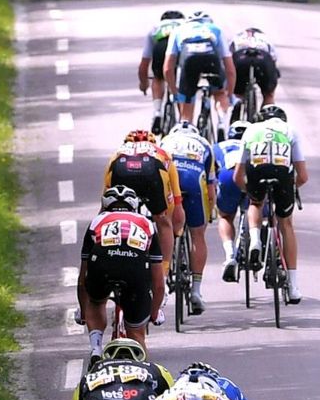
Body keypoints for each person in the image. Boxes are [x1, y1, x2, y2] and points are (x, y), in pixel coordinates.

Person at [98, 130, 180, 337]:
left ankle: (102, 263)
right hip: (152, 170)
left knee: (106, 217)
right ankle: (163, 275)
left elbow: (104, 201)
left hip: (120, 169)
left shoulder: (117, 152)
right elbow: (177, 201)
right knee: (163, 221)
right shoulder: (162, 153)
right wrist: (174, 226)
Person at [233, 104, 309, 303]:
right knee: (286, 224)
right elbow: (303, 176)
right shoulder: (290, 130)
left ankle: (255, 240)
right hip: (281, 174)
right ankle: (293, 286)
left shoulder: (251, 130)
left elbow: (237, 176)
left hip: (257, 171)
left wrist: (249, 192)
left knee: (255, 204)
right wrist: (291, 188)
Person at [78, 186, 164, 355]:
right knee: (137, 333)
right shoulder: (146, 223)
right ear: (134, 205)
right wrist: (154, 313)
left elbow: (83, 279)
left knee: (96, 301)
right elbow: (159, 283)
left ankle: (96, 348)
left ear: (105, 205)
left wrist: (83, 311)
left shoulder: (97, 221)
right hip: (135, 269)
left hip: (102, 266)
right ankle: (139, 361)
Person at [160, 121, 217, 315]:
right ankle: (196, 291)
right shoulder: (204, 144)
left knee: (164, 228)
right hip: (194, 180)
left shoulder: (165, 141)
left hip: (170, 181)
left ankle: (162, 282)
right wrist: (210, 212)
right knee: (198, 235)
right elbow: (211, 187)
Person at [161, 10, 235, 126]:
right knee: (219, 93)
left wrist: (175, 92)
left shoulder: (178, 30)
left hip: (189, 60)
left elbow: (167, 68)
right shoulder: (215, 29)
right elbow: (229, 67)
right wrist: (229, 94)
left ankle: (187, 126)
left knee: (187, 98)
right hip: (211, 59)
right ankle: (221, 121)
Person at [137, 9, 186, 133]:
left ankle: (157, 111)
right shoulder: (186, 25)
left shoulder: (156, 28)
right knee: (182, 83)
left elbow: (144, 63)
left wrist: (144, 84)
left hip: (160, 47)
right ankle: (184, 121)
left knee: (158, 77)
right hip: (180, 48)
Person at [215, 119, 250, 282]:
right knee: (259, 211)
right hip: (249, 173)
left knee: (225, 216)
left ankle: (230, 254)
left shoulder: (219, 146)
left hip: (227, 174)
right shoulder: (253, 142)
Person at [229, 26, 279, 108]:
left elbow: (228, 57)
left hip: (241, 58)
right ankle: (267, 109)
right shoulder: (265, 38)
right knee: (269, 93)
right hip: (262, 58)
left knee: (237, 93)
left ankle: (238, 103)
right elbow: (273, 59)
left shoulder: (237, 37)